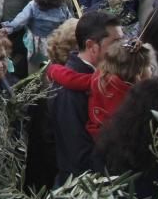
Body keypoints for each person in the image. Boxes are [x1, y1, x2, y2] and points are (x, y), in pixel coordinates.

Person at [51, 11, 122, 185]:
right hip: (83, 188)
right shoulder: (69, 89)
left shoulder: (100, 76)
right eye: (116, 43)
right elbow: (78, 153)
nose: (123, 48)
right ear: (92, 46)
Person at [47, 39, 155, 140]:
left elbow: (70, 79)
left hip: (96, 138)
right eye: (150, 66)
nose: (152, 70)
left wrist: (52, 69)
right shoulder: (140, 100)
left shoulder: (99, 80)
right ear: (139, 74)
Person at [2, 0, 72, 68]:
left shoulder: (33, 5)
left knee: (34, 68)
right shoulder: (62, 8)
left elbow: (21, 20)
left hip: (36, 44)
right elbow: (69, 24)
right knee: (53, 66)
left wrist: (9, 28)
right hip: (55, 44)